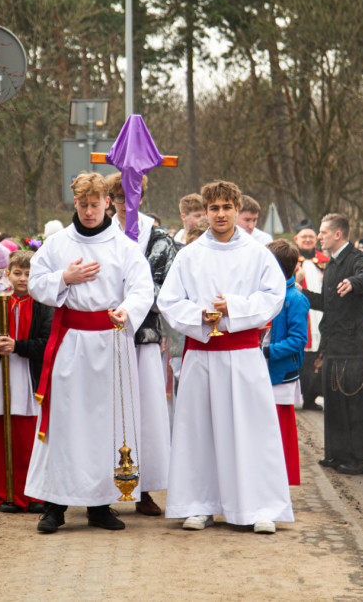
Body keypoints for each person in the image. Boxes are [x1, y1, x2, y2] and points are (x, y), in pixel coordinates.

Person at [158, 180, 292, 535]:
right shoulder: (189, 255)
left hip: (243, 354)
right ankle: (200, 504)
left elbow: (273, 296)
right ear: (206, 211)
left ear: (236, 209)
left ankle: (259, 506)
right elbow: (169, 301)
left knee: (251, 429)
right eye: (213, 208)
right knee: (198, 430)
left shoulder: (258, 253)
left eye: (226, 207)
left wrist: (234, 307)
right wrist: (200, 315)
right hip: (202, 354)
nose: (220, 214)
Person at [24, 173, 153, 533]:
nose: (90, 211)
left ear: (108, 202)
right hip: (72, 342)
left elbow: (142, 288)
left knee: (106, 424)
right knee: (66, 422)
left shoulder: (124, 246)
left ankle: (100, 505)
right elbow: (35, 283)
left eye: (96, 204)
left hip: (112, 340)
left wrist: (127, 311)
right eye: (83, 205)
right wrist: (64, 278)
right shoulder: (58, 243)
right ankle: (55, 505)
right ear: (75, 204)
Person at [107, 172, 176, 516]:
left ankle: (145, 488)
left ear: (141, 198)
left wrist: (133, 300)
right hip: (103, 335)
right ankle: (103, 488)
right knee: (108, 410)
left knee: (147, 412)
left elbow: (168, 287)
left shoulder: (160, 238)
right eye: (118, 197)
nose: (124, 203)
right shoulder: (101, 235)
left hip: (144, 333)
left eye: (130, 196)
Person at [0, 250, 52, 513]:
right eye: (17, 273)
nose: (23, 279)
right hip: (0, 380)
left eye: (28, 274)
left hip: (31, 381)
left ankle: (34, 494)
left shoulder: (42, 305)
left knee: (30, 439)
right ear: (7, 273)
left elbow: (47, 343)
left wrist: (18, 346)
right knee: (0, 438)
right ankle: (3, 491)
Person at [305, 213, 363, 475]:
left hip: (356, 344)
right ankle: (337, 454)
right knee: (335, 400)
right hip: (335, 343)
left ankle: (359, 459)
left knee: (356, 402)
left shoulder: (357, 258)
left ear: (338, 235)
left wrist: (353, 282)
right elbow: (328, 303)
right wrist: (299, 295)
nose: (319, 237)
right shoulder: (333, 263)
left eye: (323, 232)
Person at [264, 240, 310, 486]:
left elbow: (297, 340)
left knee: (282, 432)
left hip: (281, 373)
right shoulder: (266, 294)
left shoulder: (295, 298)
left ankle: (281, 481)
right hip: (264, 369)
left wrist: (266, 351)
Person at [293, 220, 328, 410]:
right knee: (301, 358)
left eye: (311, 237)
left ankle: (311, 398)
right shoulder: (291, 260)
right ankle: (295, 396)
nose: (307, 240)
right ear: (296, 239)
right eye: (303, 237)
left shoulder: (325, 261)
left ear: (316, 239)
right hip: (301, 315)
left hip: (319, 314)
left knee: (316, 357)